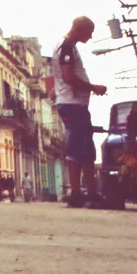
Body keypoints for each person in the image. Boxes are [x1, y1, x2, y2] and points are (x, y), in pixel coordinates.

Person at [52, 16, 107, 208]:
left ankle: (92, 193)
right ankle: (75, 193)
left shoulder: (68, 47)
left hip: (76, 104)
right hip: (72, 103)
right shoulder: (66, 46)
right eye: (89, 32)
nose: (90, 37)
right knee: (76, 147)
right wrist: (93, 87)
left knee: (87, 148)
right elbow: (67, 77)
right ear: (80, 29)